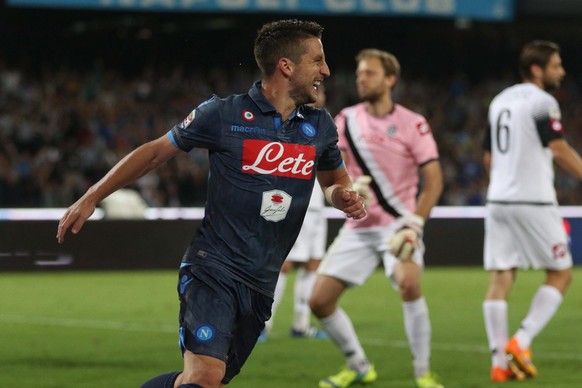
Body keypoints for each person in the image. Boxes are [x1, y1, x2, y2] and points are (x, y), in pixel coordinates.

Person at [56, 19, 367, 388]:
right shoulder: (224, 114)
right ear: (286, 65)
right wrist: (92, 196)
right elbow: (156, 153)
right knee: (205, 376)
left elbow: (334, 181)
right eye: (317, 60)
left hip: (261, 282)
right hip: (212, 268)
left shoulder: (320, 126)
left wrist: (342, 197)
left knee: (203, 381)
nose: (326, 71)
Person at [309, 48, 444, 388]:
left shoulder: (413, 123)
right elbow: (333, 171)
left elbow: (435, 181)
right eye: (359, 74)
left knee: (410, 283)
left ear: (390, 80)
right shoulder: (346, 120)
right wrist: (352, 189)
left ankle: (422, 372)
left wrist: (415, 224)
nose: (361, 79)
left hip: (399, 226)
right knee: (319, 301)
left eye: (369, 73)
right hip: (358, 227)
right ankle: (358, 365)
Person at [482, 40, 582, 383]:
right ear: (537, 69)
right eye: (556, 65)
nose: (562, 71)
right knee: (561, 272)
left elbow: (488, 156)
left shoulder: (499, 101)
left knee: (501, 276)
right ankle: (521, 342)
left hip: (498, 200)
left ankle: (499, 364)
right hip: (533, 200)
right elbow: (557, 147)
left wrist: (503, 182)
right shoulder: (542, 101)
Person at [260, 85, 329, 342]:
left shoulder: (325, 125)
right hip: (291, 200)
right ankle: (264, 324)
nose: (319, 95)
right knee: (284, 264)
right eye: (315, 90)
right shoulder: (287, 121)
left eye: (321, 92)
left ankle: (301, 324)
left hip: (316, 204)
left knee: (313, 263)